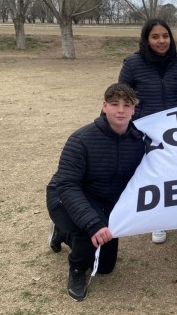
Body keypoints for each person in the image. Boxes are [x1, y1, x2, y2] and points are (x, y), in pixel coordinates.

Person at [46, 83, 145, 301]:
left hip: (103, 200)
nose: (120, 110)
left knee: (105, 267)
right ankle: (76, 270)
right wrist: (92, 223)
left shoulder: (139, 141)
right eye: (114, 104)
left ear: (133, 110)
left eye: (126, 105)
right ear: (104, 106)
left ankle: (62, 233)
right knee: (89, 230)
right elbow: (66, 184)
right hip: (65, 196)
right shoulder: (81, 139)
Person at [118, 18, 177, 252]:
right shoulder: (132, 63)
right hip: (145, 129)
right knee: (154, 175)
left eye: (165, 36)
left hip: (176, 129)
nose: (161, 41)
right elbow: (123, 96)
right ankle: (159, 221)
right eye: (155, 36)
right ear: (146, 39)